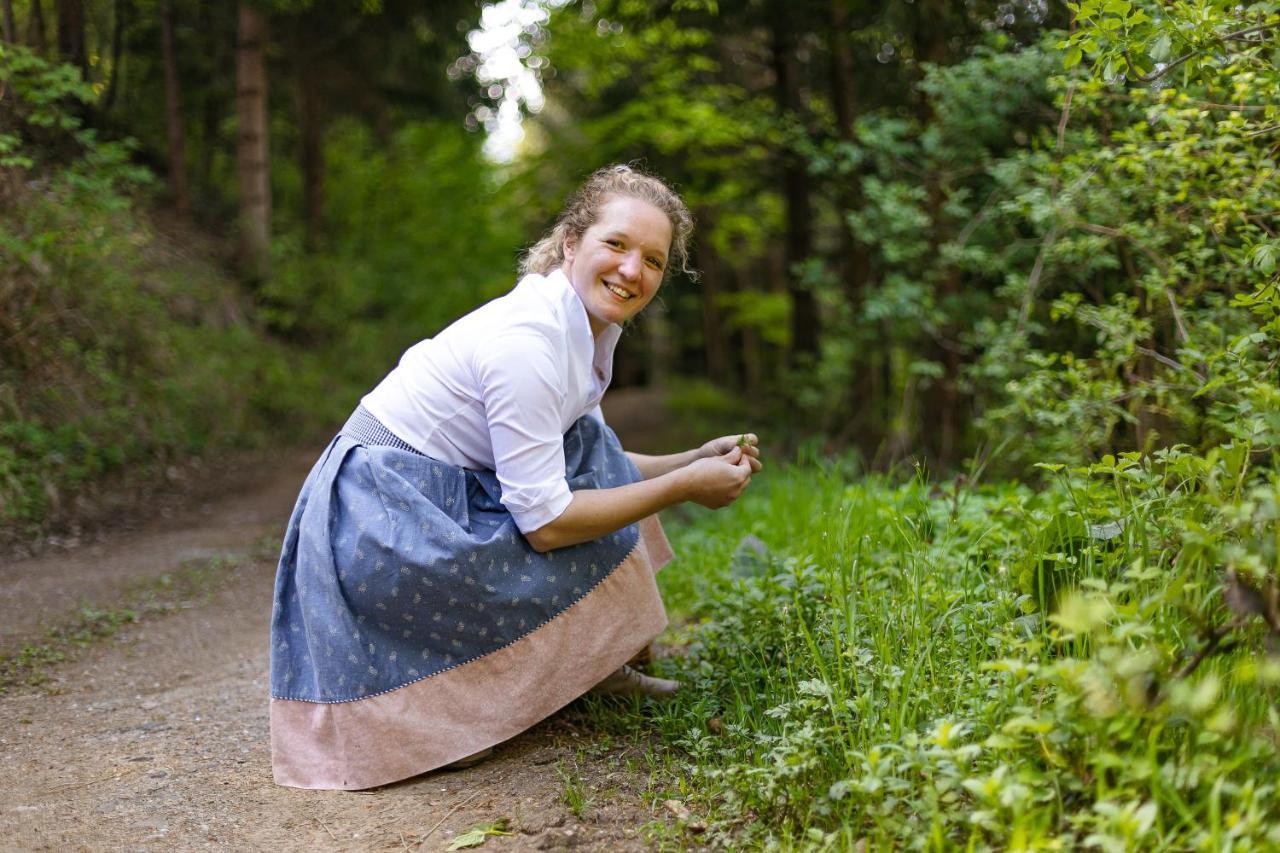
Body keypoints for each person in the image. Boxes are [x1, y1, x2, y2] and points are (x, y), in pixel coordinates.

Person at [268, 164, 762, 790]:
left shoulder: (582, 330)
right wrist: (685, 488)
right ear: (570, 244)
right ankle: (472, 700)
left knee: (591, 446)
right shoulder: (528, 342)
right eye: (616, 245)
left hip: (431, 501)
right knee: (588, 495)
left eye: (654, 260)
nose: (632, 271)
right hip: (380, 528)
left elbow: (589, 465)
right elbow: (549, 524)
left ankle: (595, 668)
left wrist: (691, 460)